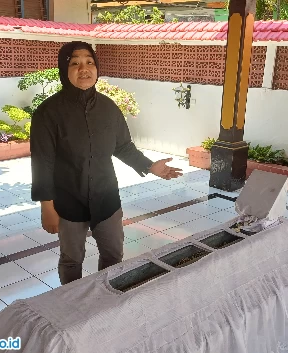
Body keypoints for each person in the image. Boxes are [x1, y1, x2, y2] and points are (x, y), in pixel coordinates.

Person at [30, 41, 182, 285]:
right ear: (64, 69)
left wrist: (150, 165)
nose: (84, 69)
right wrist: (47, 207)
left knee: (113, 255)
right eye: (75, 63)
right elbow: (42, 163)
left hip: (106, 197)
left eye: (89, 62)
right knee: (71, 259)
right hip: (68, 200)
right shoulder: (48, 113)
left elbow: (123, 146)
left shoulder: (109, 108)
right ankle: (73, 304)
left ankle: (107, 300)